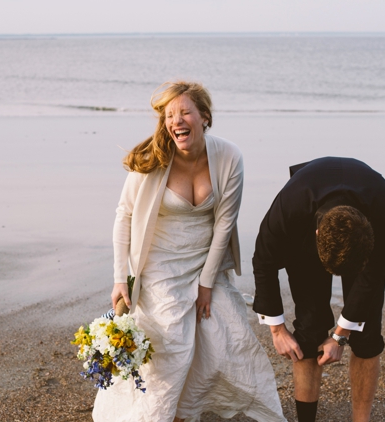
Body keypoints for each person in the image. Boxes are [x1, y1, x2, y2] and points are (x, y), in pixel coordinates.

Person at [92, 81, 286, 422]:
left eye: (184, 111)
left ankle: (189, 409)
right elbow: (124, 216)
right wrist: (120, 278)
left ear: (204, 117)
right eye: (169, 114)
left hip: (206, 260)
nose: (176, 120)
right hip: (160, 266)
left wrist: (207, 283)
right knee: (174, 348)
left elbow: (226, 222)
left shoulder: (229, 157)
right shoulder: (153, 158)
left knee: (228, 337)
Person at [252, 157, 385, 422]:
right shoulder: (289, 208)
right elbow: (264, 261)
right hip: (304, 228)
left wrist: (340, 336)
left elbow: (372, 276)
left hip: (369, 226)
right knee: (308, 332)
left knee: (366, 336)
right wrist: (277, 329)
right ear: (318, 234)